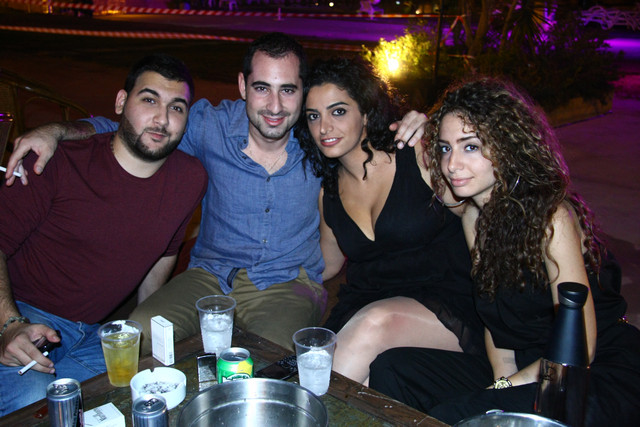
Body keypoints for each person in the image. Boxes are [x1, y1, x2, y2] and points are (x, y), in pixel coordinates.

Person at [4, 33, 427, 353]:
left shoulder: (320, 136)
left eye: (288, 90)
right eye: (262, 88)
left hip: (286, 283)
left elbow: (372, 135)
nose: (274, 106)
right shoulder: (209, 126)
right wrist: (57, 130)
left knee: (267, 362)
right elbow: (139, 127)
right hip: (208, 276)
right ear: (242, 85)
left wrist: (418, 125)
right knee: (141, 336)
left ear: (302, 91)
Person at [368, 76, 640, 425]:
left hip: (588, 372)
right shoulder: (473, 219)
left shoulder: (550, 217)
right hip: (526, 365)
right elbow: (496, 324)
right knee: (392, 368)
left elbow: (580, 346)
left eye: (470, 147)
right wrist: (500, 382)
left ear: (507, 146)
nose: (452, 164)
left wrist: (503, 390)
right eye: (445, 148)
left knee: (456, 415)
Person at [0, 53, 207, 416]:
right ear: (121, 102)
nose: (162, 119)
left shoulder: (189, 178)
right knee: (36, 406)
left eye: (176, 107)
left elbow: (164, 253)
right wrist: (9, 324)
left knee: (145, 394)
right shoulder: (56, 161)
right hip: (21, 314)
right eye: (149, 100)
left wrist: (142, 330)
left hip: (98, 335)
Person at [295, 57, 484, 386]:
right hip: (368, 303)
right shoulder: (329, 193)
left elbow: (476, 211)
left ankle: (300, 410)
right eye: (314, 116)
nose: (323, 128)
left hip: (444, 303)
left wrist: (438, 133)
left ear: (366, 113)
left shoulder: (417, 154)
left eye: (338, 111)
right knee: (340, 367)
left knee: (373, 325)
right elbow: (327, 263)